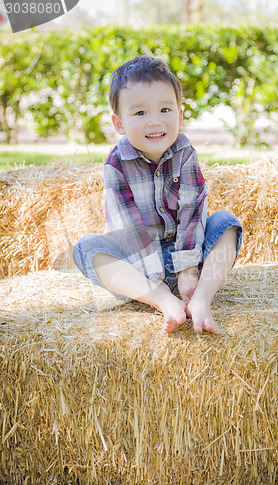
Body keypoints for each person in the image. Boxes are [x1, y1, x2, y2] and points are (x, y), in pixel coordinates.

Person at [73, 56, 242, 335]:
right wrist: (156, 284)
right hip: (136, 269)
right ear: (119, 123)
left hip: (188, 256)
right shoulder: (116, 164)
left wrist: (188, 270)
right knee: (87, 247)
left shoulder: (185, 152)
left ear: (180, 114)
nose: (155, 121)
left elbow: (192, 209)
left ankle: (201, 299)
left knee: (226, 223)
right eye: (140, 113)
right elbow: (128, 229)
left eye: (165, 109)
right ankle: (164, 301)